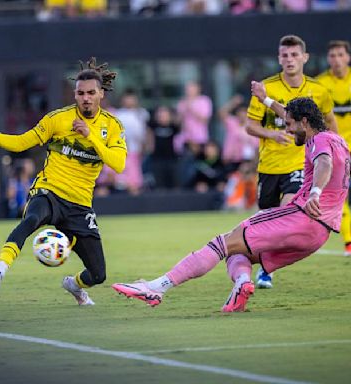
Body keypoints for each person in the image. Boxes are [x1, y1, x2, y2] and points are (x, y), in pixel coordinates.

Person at [113, 97, 349, 312]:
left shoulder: (318, 140)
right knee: (238, 253)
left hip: (301, 218)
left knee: (223, 243)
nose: (286, 128)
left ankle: (156, 287)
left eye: (289, 123)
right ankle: (242, 284)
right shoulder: (340, 142)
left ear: (304, 121)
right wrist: (266, 98)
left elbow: (324, 164)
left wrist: (315, 192)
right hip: (319, 235)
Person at [0, 58, 127, 305]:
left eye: (91, 93)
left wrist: (91, 136)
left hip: (80, 205)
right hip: (50, 191)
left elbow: (118, 164)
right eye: (80, 93)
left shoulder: (112, 126)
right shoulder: (57, 119)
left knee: (98, 274)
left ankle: (73, 285)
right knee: (31, 219)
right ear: (75, 95)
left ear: (101, 94)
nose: (85, 98)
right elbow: (22, 142)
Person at [246, 34, 337, 289]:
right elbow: (250, 126)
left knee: (285, 214)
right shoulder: (267, 87)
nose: (289, 59)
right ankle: (264, 263)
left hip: (299, 165)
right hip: (269, 166)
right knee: (266, 219)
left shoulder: (318, 90)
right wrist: (271, 133)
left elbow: (330, 123)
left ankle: (267, 269)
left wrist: (336, 148)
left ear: (305, 58)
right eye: (285, 55)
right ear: (279, 58)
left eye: (295, 54)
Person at [316, 40, 351, 256]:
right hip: (337, 150)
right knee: (341, 195)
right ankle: (349, 241)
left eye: (340, 55)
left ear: (348, 57)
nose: (336, 60)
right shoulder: (320, 84)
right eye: (332, 56)